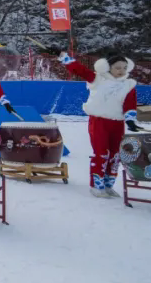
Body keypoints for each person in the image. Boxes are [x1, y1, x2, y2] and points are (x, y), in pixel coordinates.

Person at [46, 47, 140, 198]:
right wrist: (63, 56)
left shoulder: (128, 85)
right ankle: (97, 185)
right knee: (102, 153)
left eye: (124, 67)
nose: (121, 71)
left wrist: (130, 120)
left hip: (117, 123)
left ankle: (109, 185)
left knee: (115, 154)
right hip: (99, 121)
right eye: (117, 68)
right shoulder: (98, 79)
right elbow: (79, 70)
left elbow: (130, 104)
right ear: (109, 68)